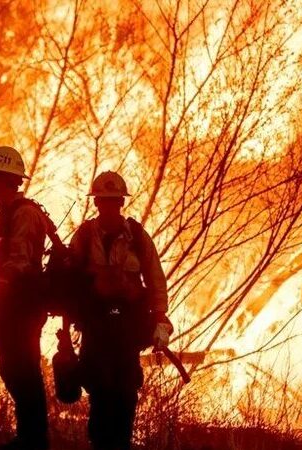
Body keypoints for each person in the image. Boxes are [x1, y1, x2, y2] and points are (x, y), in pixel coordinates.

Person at [69, 171, 174, 450]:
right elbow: (70, 278)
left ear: (121, 203)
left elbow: (155, 278)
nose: (108, 206)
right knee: (98, 387)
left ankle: (121, 443)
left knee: (126, 390)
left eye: (114, 201)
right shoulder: (84, 236)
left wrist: (160, 317)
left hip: (128, 327)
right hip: (95, 325)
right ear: (96, 203)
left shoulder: (137, 236)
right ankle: (100, 443)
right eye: (104, 200)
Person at [0, 146, 50, 450]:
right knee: (11, 369)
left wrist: (3, 282)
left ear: (4, 179)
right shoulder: (3, 212)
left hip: (25, 303)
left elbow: (21, 260)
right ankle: (28, 437)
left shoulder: (25, 214)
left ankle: (33, 440)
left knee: (24, 370)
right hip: (10, 302)